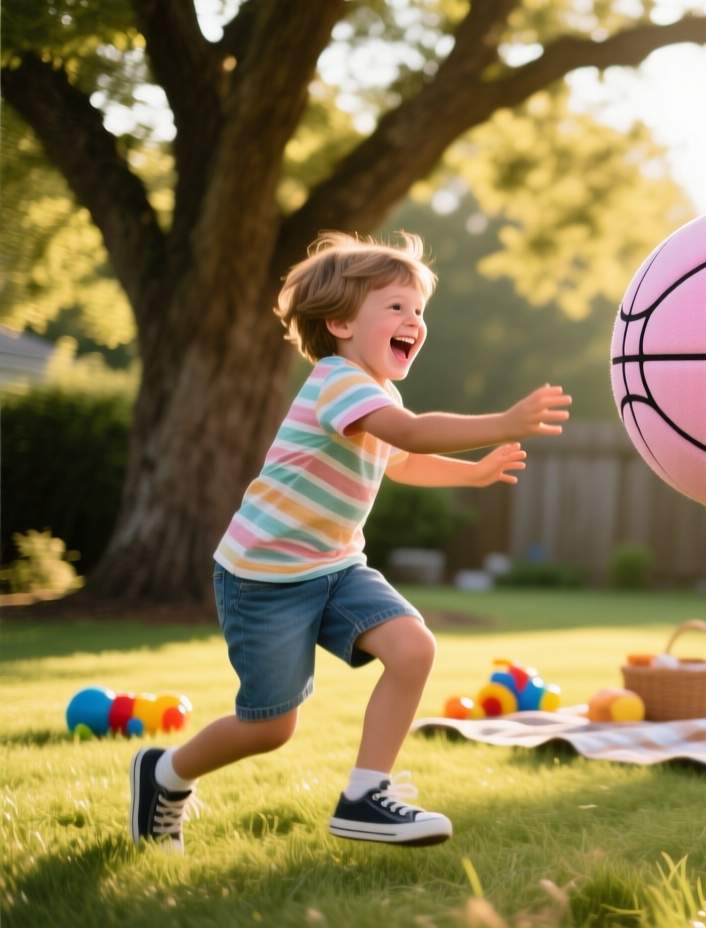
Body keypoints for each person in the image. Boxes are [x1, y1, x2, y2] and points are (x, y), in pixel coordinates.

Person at [129, 232, 572, 852]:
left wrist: (471, 472)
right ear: (339, 322)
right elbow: (414, 435)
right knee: (270, 728)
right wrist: (499, 422)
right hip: (263, 577)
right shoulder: (338, 381)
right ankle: (165, 773)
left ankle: (365, 795)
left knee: (413, 648)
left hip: (335, 567)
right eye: (395, 307)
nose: (413, 321)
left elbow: (405, 462)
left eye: (418, 311)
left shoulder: (377, 393)